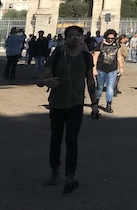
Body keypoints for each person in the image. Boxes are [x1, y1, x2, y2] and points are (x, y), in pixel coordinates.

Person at [38, 25, 98, 194]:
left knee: (72, 140)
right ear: (65, 38)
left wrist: (94, 104)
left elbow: (90, 81)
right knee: (56, 139)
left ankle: (70, 176)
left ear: (82, 39)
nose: (74, 38)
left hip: (76, 104)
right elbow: (40, 79)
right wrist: (46, 82)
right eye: (70, 35)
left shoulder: (86, 57)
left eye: (77, 35)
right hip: (57, 104)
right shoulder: (56, 56)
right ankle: (54, 172)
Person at [91, 29, 121, 114]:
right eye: (109, 38)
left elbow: (119, 57)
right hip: (101, 69)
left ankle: (108, 105)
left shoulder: (117, 45)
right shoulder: (100, 45)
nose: (110, 40)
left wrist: (121, 67)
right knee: (99, 88)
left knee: (110, 87)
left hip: (112, 69)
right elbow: (95, 57)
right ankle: (95, 103)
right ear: (105, 37)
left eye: (112, 38)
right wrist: (93, 69)